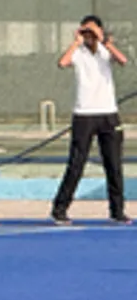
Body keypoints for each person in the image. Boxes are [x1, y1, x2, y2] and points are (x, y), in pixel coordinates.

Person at [51, 15, 129, 225]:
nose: (89, 36)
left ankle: (117, 211)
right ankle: (60, 208)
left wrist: (105, 42)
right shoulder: (78, 52)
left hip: (108, 114)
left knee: (113, 164)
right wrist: (76, 42)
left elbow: (123, 61)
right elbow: (63, 62)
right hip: (84, 115)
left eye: (92, 32)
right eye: (85, 32)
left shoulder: (105, 51)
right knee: (76, 164)